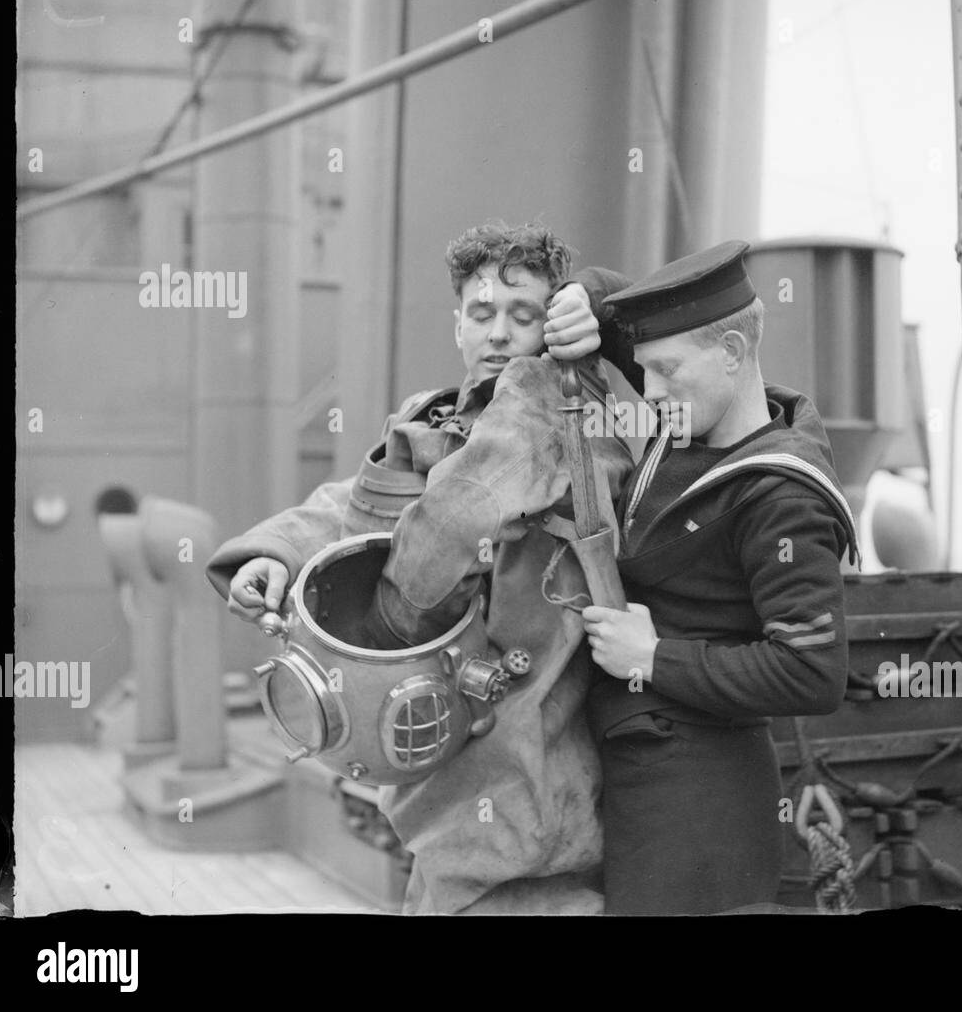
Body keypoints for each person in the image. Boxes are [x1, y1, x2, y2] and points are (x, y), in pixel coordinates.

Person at [205, 221, 633, 914]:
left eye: (523, 316)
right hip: (435, 793)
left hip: (528, 800)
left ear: (554, 324)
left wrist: (383, 628)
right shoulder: (428, 420)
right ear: (458, 325)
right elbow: (359, 503)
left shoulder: (566, 414)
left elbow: (457, 512)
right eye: (482, 314)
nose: (499, 334)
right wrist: (272, 553)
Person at [578, 239, 858, 915]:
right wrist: (581, 295)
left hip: (696, 801)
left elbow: (812, 672)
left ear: (733, 353)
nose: (649, 391)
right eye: (642, 370)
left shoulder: (778, 497)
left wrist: (653, 656)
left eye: (665, 370)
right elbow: (623, 313)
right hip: (639, 761)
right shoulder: (690, 412)